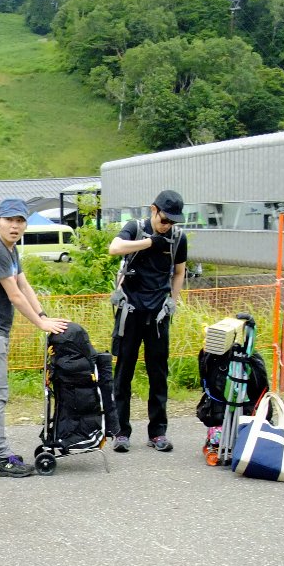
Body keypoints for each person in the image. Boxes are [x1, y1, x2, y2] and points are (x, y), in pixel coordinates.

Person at [0, 198, 68, 478]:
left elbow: (23, 284)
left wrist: (43, 313)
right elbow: (13, 294)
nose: (15, 226)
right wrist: (40, 323)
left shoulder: (10, 249)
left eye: (20, 221)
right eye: (9, 220)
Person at [109, 189, 188, 453]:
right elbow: (114, 248)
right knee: (123, 373)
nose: (168, 226)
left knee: (158, 374)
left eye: (172, 222)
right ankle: (120, 432)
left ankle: (158, 432)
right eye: (165, 220)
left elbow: (179, 272)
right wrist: (149, 242)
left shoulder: (178, 239)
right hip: (130, 311)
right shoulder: (135, 228)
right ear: (153, 210)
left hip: (158, 315)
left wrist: (172, 301)